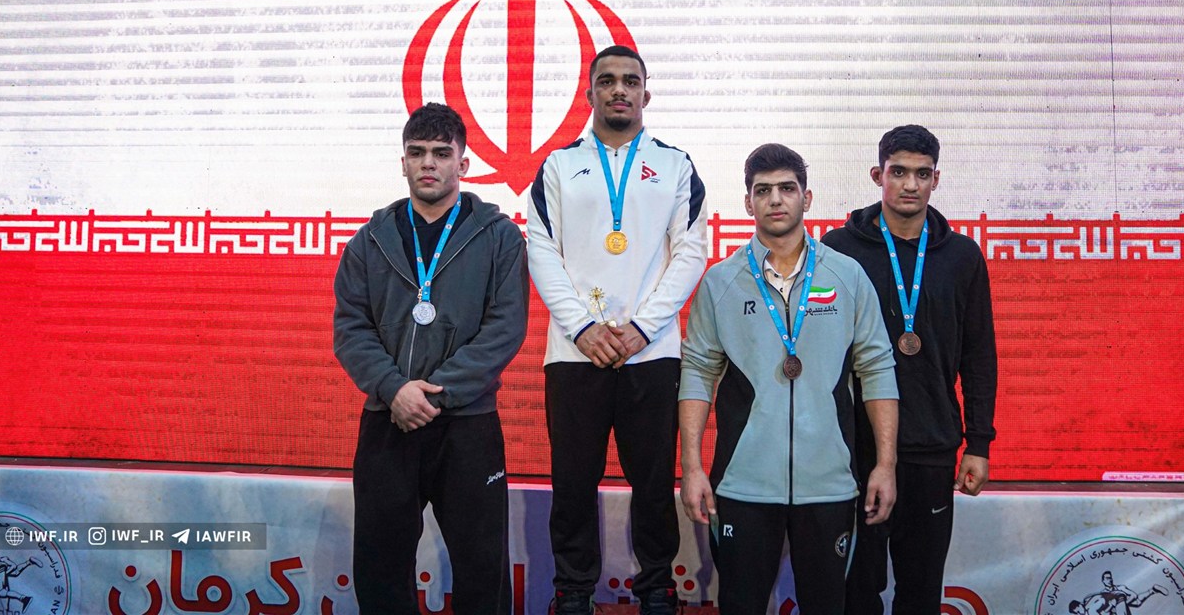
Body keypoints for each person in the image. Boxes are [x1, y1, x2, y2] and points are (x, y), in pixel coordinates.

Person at [679, 143, 899, 615]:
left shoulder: (847, 275)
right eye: (763, 191)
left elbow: (878, 370)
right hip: (742, 485)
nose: (775, 199)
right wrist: (692, 467)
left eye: (787, 188)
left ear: (807, 197)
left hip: (830, 485)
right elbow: (697, 374)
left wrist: (885, 464)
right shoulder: (719, 282)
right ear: (747, 203)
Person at [527, 45, 708, 615]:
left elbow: (690, 253)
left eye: (630, 80)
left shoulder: (676, 165)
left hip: (650, 354)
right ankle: (572, 590)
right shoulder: (558, 166)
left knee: (653, 482)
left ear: (646, 93)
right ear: (590, 94)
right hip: (573, 353)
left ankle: (657, 587)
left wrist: (643, 329)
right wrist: (582, 328)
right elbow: (542, 252)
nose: (619, 90)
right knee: (572, 482)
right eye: (607, 81)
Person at [333, 102, 529, 615]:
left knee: (482, 569)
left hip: (468, 424)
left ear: (463, 164)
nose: (428, 163)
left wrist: (436, 396)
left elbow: (505, 329)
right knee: (380, 568)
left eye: (442, 153)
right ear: (402, 162)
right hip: (388, 421)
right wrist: (394, 389)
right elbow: (351, 329)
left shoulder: (500, 237)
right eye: (417, 152)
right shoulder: (369, 240)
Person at [821, 124, 997, 615]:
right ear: (877, 175)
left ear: (936, 180)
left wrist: (979, 444)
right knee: (856, 593)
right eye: (898, 172)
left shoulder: (962, 256)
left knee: (920, 593)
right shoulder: (838, 250)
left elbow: (979, 357)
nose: (910, 185)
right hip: (854, 450)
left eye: (922, 174)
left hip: (931, 446)